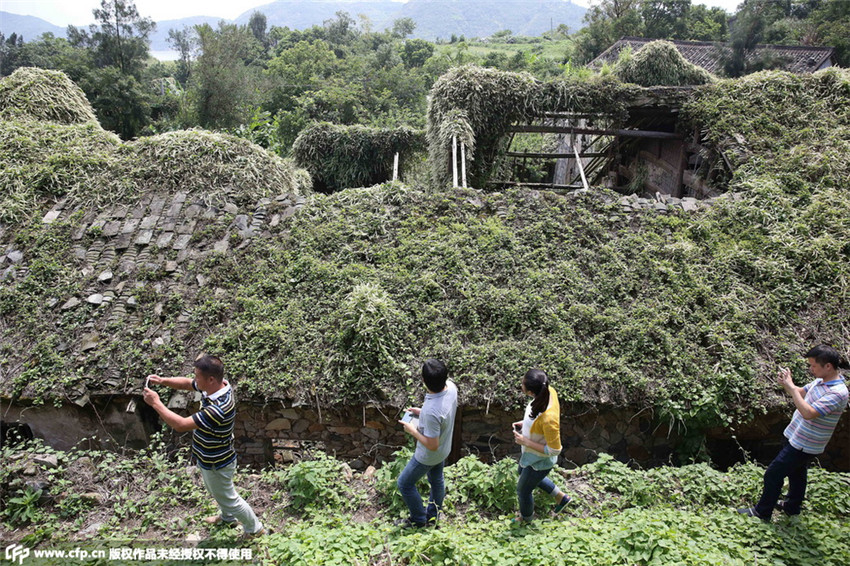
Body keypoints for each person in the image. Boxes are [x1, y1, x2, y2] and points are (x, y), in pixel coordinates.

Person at [143, 354, 265, 537]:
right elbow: (186, 383)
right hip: (211, 456)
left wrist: (156, 403)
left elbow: (181, 425)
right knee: (218, 492)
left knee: (229, 498)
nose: (194, 379)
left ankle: (255, 529)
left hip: (217, 460)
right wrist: (163, 381)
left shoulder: (219, 408)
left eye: (197, 376)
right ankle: (227, 517)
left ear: (210, 379)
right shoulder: (217, 386)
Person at [737, 344, 849, 521]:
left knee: (773, 473)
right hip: (795, 434)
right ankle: (792, 507)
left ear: (828, 366)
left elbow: (809, 413)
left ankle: (762, 511)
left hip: (806, 444)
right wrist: (788, 383)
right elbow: (800, 393)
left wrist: (790, 389)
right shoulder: (820, 381)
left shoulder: (838, 393)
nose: (811, 369)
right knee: (797, 473)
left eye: (813, 366)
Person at [396, 358, 458, 528]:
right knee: (437, 480)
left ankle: (419, 519)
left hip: (428, 455)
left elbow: (431, 445)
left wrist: (412, 430)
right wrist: (421, 412)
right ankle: (433, 516)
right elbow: (441, 416)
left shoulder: (432, 411)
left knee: (404, 483)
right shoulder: (452, 388)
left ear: (423, 381)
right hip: (445, 448)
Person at [512, 368, 571, 523]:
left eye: (523, 383)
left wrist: (525, 441)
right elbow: (537, 419)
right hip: (531, 456)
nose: (521, 384)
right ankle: (561, 497)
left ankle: (526, 520)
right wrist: (525, 424)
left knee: (523, 490)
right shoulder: (548, 391)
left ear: (531, 392)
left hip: (540, 461)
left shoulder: (549, 419)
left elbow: (554, 450)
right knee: (521, 472)